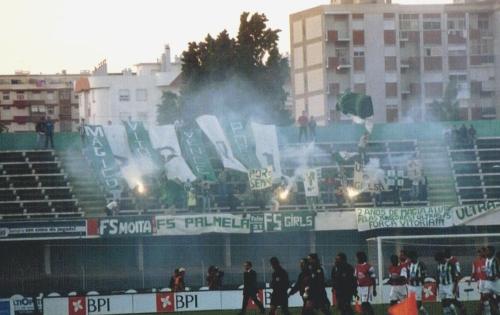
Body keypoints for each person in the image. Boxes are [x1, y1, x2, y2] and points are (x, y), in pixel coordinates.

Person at [406, 250, 429, 315]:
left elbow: (424, 276)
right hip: (410, 286)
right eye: (410, 258)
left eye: (412, 257)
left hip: (418, 286)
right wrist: (408, 280)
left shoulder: (421, 265)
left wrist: (416, 278)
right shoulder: (409, 264)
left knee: (417, 304)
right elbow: (408, 274)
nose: (410, 259)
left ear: (415, 257)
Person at [470, 248, 488, 315]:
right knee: (483, 297)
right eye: (478, 253)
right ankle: (481, 311)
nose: (479, 254)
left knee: (485, 298)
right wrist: (470, 279)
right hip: (480, 281)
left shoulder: (487, 261)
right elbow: (473, 272)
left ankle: (480, 311)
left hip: (487, 281)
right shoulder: (475, 262)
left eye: (480, 252)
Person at [483, 246, 499, 314]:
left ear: (491, 252)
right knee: (486, 298)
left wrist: (494, 277)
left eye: (487, 251)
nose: (486, 252)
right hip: (488, 282)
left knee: (497, 300)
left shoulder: (496, 260)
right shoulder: (486, 260)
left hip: (496, 282)